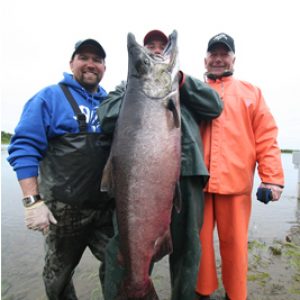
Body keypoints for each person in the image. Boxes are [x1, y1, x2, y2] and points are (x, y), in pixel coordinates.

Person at [97, 30, 223, 300]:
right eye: (150, 45)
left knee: (189, 249)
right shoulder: (125, 88)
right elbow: (105, 117)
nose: (155, 50)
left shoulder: (186, 86)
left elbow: (215, 106)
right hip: (136, 183)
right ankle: (131, 287)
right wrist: (137, 92)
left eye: (161, 45)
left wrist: (179, 81)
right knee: (129, 244)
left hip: (188, 178)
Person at [7, 38, 114, 299]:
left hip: (105, 210)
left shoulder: (110, 104)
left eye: (97, 60)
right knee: (58, 275)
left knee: (118, 265)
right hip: (63, 212)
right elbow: (24, 148)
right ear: (71, 63)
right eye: (84, 58)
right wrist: (32, 201)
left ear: (104, 67)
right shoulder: (49, 98)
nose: (91, 64)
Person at [194, 33, 285, 300]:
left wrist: (272, 179)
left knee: (235, 246)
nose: (219, 58)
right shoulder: (191, 91)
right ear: (206, 59)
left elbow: (266, 137)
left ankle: (236, 294)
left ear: (234, 58)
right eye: (214, 54)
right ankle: (202, 291)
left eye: (224, 53)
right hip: (197, 185)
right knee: (198, 245)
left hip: (236, 185)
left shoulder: (251, 93)